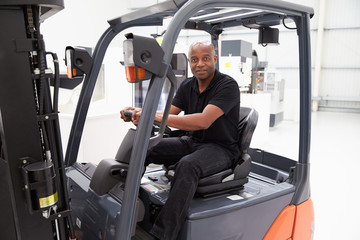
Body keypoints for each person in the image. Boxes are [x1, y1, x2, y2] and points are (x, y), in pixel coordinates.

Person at [120, 41, 240, 240]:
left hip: (221, 148)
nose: (199, 64)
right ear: (189, 62)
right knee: (145, 147)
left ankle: (163, 234)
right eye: (194, 59)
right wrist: (139, 112)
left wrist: (152, 116)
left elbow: (203, 121)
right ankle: (127, 209)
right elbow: (168, 113)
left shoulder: (227, 85)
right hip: (192, 142)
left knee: (187, 165)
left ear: (215, 60)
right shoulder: (187, 85)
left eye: (205, 58)